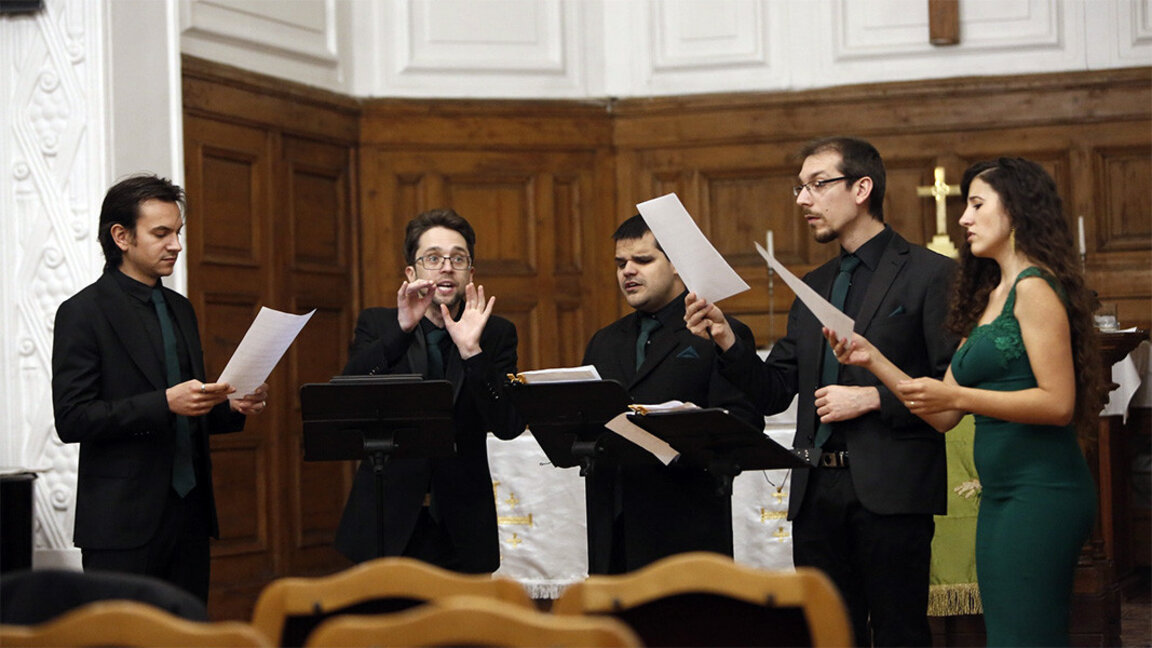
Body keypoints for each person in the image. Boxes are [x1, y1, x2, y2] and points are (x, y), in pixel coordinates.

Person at [685, 137, 958, 646]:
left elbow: (951, 389)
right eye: (799, 187)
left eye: (817, 184)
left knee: (901, 633)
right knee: (828, 635)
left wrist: (874, 397)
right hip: (816, 493)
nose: (802, 200)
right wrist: (726, 338)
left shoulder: (929, 274)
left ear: (861, 188)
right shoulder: (813, 282)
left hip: (892, 491)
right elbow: (774, 391)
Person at [825, 157, 1103, 647]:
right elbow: (942, 415)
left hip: (1042, 491)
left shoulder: (1034, 287)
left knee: (1026, 636)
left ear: (1015, 211)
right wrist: (874, 361)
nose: (963, 219)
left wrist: (957, 393)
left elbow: (1059, 403)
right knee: (1008, 635)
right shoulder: (991, 295)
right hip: (1000, 497)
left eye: (976, 204)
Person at [52, 174, 269, 602]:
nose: (176, 245)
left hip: (189, 516)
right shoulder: (82, 312)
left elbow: (191, 411)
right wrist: (164, 403)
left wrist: (231, 407)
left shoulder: (180, 308)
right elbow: (73, 418)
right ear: (121, 236)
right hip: (121, 525)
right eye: (161, 233)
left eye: (178, 233)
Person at [334, 208, 525, 573]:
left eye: (458, 258)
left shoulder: (495, 333)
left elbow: (508, 424)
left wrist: (473, 352)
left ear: (471, 272)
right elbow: (348, 394)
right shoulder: (378, 324)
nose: (446, 267)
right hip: (386, 518)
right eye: (433, 258)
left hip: (463, 521)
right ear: (413, 272)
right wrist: (401, 332)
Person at [581, 214, 761, 574]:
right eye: (620, 263)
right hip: (613, 525)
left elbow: (746, 423)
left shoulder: (719, 331)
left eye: (642, 260)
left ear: (677, 264)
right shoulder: (604, 340)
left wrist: (695, 425)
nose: (627, 272)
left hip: (686, 526)